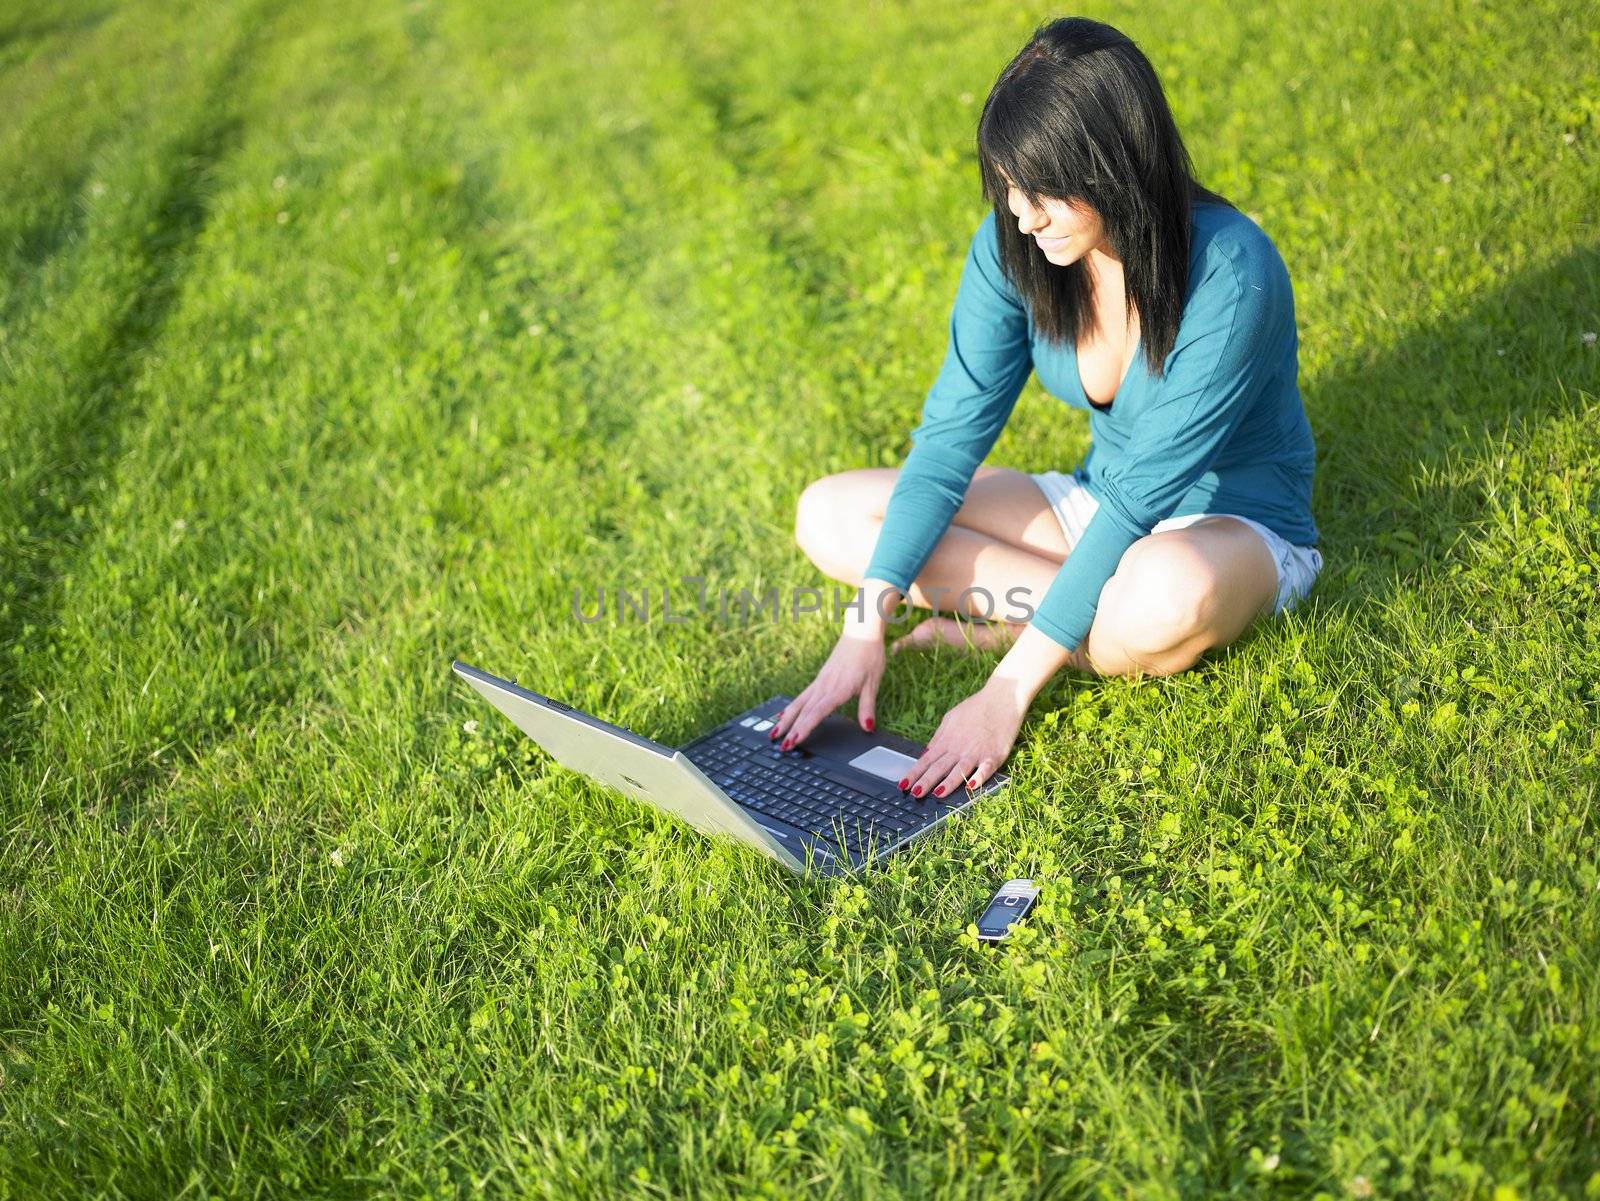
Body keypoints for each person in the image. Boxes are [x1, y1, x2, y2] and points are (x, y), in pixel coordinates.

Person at [768, 16, 1323, 802]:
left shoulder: (1233, 271)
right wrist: (863, 627)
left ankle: (1039, 625)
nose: (1023, 215)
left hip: (1223, 530)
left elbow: (1143, 502)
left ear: (1114, 164)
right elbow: (949, 440)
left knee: (1166, 595)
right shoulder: (1017, 247)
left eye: (1043, 190)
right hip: (1095, 506)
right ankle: (1079, 611)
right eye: (1008, 186)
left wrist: (1006, 689)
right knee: (830, 515)